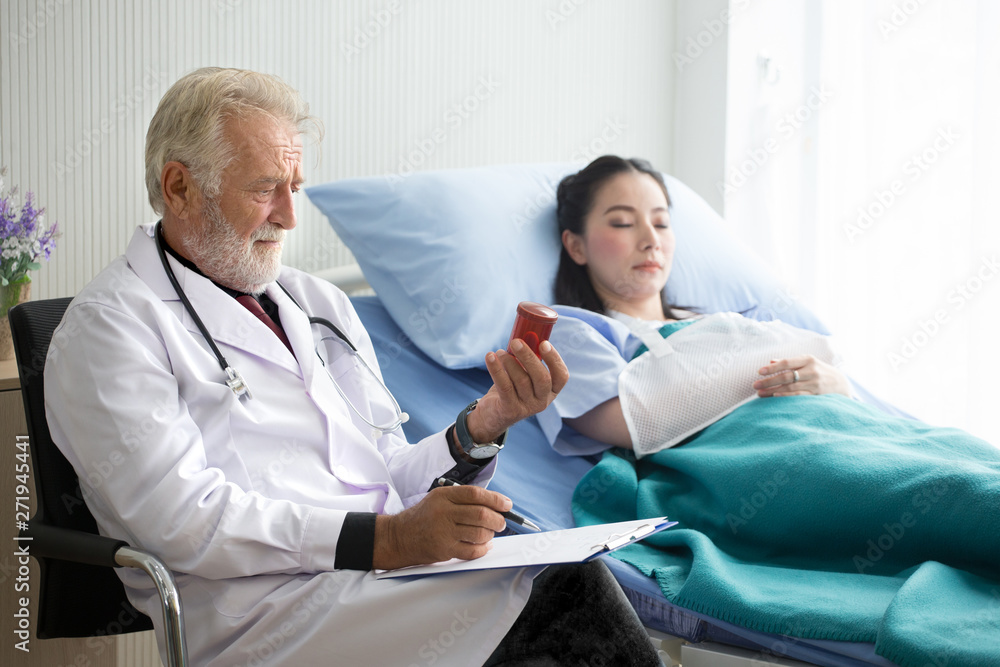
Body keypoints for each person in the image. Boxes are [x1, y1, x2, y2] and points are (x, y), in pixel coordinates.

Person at [43, 71, 660, 666]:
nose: (289, 215)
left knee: (569, 575)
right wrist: (388, 541)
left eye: (294, 186)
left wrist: (485, 423)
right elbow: (180, 520)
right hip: (262, 617)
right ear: (179, 187)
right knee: (565, 598)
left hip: (376, 582)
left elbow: (384, 472)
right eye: (264, 188)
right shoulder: (112, 327)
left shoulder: (316, 303)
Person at [540, 155, 1000, 666]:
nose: (651, 239)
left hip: (845, 425)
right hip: (760, 457)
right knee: (950, 489)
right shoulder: (575, 331)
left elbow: (825, 365)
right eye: (623, 223)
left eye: (662, 222)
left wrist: (835, 383)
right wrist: (751, 366)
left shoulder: (726, 320)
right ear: (575, 245)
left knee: (966, 458)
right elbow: (633, 422)